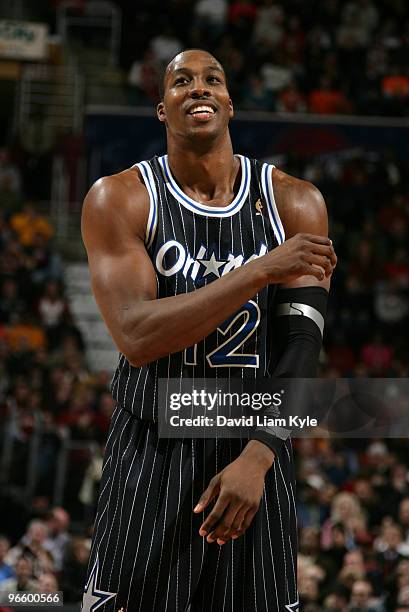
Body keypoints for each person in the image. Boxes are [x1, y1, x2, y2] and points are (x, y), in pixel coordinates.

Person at [80, 49, 336, 611]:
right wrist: (261, 270)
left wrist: (260, 456)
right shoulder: (118, 198)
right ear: (161, 109)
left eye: (212, 79)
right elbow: (136, 336)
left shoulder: (296, 202)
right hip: (151, 455)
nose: (199, 88)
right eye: (181, 81)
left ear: (229, 103)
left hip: (255, 450)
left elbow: (301, 348)